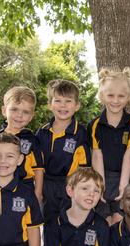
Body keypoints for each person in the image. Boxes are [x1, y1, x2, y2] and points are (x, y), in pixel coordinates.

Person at [36, 79, 90, 222]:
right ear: (50, 104)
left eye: (68, 101)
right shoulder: (42, 133)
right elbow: (37, 166)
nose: (63, 106)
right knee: (49, 227)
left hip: (69, 187)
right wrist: (39, 190)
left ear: (77, 105)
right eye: (58, 101)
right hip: (46, 186)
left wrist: (77, 191)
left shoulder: (81, 134)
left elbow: (84, 168)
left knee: (69, 227)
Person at [89, 68, 130, 225]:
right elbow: (97, 156)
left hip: (122, 178)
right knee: (104, 224)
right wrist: (100, 185)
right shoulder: (95, 125)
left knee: (119, 223)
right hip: (101, 177)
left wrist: (123, 187)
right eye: (110, 95)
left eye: (121, 96)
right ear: (102, 96)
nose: (115, 100)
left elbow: (129, 156)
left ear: (128, 97)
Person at [0, 86, 43, 203]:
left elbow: (38, 170)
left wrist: (37, 195)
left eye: (25, 112)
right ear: (4, 111)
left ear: (31, 116)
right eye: (14, 109)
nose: (19, 115)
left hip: (26, 189)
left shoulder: (32, 140)